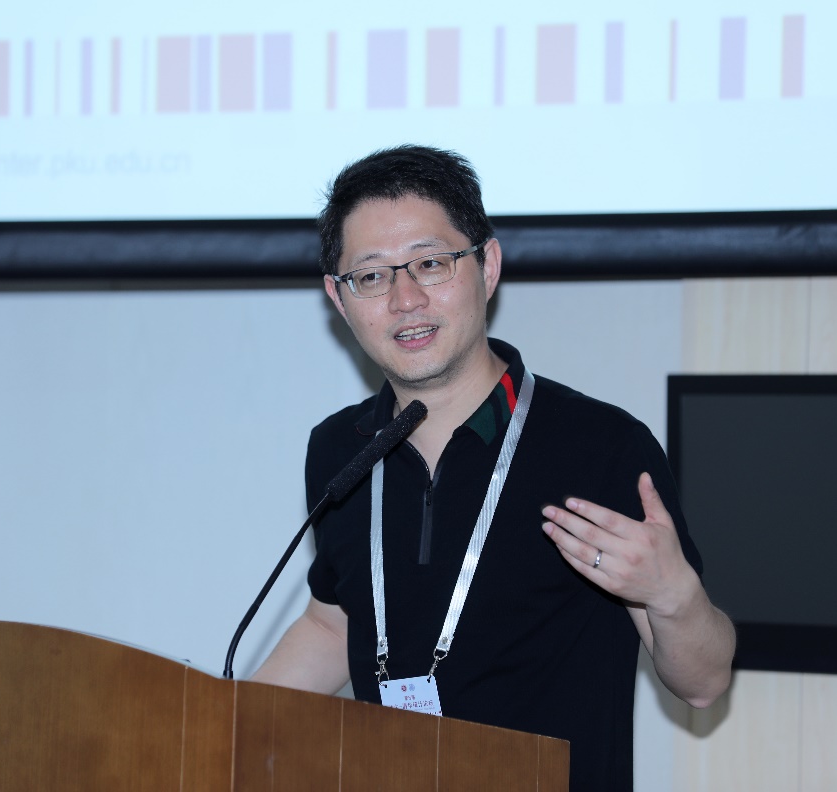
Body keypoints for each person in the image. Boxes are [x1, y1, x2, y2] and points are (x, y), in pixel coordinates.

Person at [251, 145, 734, 791]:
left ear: (488, 266)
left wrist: (672, 593)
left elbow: (703, 683)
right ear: (339, 299)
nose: (404, 299)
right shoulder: (342, 449)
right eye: (371, 276)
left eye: (430, 263)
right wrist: (224, 727)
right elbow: (333, 621)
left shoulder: (600, 446)